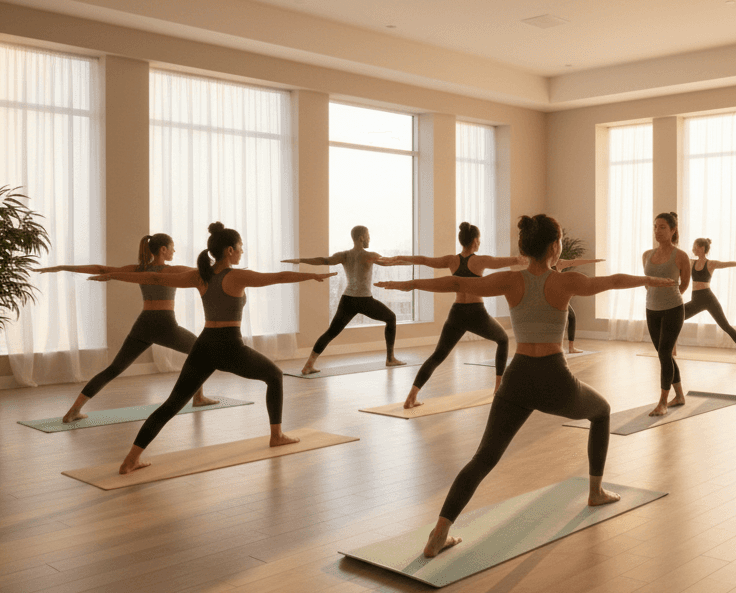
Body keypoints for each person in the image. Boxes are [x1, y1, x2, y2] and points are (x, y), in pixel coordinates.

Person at [375, 214, 676, 558]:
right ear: (554, 246)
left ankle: (439, 532)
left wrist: (410, 285)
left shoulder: (509, 281)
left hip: (517, 378)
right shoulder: (565, 282)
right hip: (554, 379)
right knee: (602, 411)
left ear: (525, 247)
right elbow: (613, 280)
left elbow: (457, 285)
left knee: (483, 457)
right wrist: (652, 280)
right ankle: (595, 491)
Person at [92, 223, 333, 475]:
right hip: (229, 346)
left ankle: (131, 459)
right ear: (229, 250)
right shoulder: (236, 276)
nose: (242, 251)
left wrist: (113, 276)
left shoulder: (201, 276)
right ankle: (277, 435)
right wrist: (311, 275)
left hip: (204, 345)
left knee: (172, 404)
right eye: (240, 247)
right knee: (273, 375)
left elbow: (154, 277)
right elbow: (277, 277)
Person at [38, 234, 215, 423]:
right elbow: (206, 273)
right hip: (165, 325)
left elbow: (102, 269)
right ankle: (198, 398)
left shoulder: (139, 270)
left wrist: (63, 267)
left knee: (114, 369)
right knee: (201, 353)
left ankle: (73, 411)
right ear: (163, 249)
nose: (174, 251)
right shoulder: (173, 270)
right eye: (172, 247)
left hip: (144, 324)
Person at [390, 222, 524, 409]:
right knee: (502, 339)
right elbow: (509, 261)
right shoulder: (480, 260)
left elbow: (424, 260)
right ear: (476, 241)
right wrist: (525, 259)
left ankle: (411, 396)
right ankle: (498, 389)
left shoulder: (451, 260)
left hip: (457, 314)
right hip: (477, 313)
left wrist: (401, 258)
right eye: (479, 240)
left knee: (438, 355)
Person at [284, 225, 406, 374]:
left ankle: (308, 365)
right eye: (368, 235)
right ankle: (390, 359)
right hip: (364, 300)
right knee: (391, 318)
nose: (369, 238)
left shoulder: (344, 255)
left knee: (330, 332)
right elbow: (389, 263)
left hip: (347, 300)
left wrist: (300, 260)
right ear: (361, 238)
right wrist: (418, 261)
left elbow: (323, 261)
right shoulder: (370, 255)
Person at [644, 212, 691, 417]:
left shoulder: (680, 256)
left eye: (662, 227)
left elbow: (685, 284)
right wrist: (656, 297)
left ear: (673, 230)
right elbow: (647, 282)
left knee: (665, 353)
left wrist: (669, 298)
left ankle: (663, 401)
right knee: (663, 355)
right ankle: (679, 396)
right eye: (655, 226)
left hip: (673, 309)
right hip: (651, 309)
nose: (657, 230)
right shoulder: (647, 255)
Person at [680, 237, 736, 360]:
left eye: (696, 246)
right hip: (696, 300)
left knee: (725, 325)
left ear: (702, 248)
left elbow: (728, 264)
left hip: (708, 298)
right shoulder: (691, 262)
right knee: (676, 317)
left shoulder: (710, 264)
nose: (694, 249)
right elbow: (676, 260)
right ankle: (672, 350)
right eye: (693, 246)